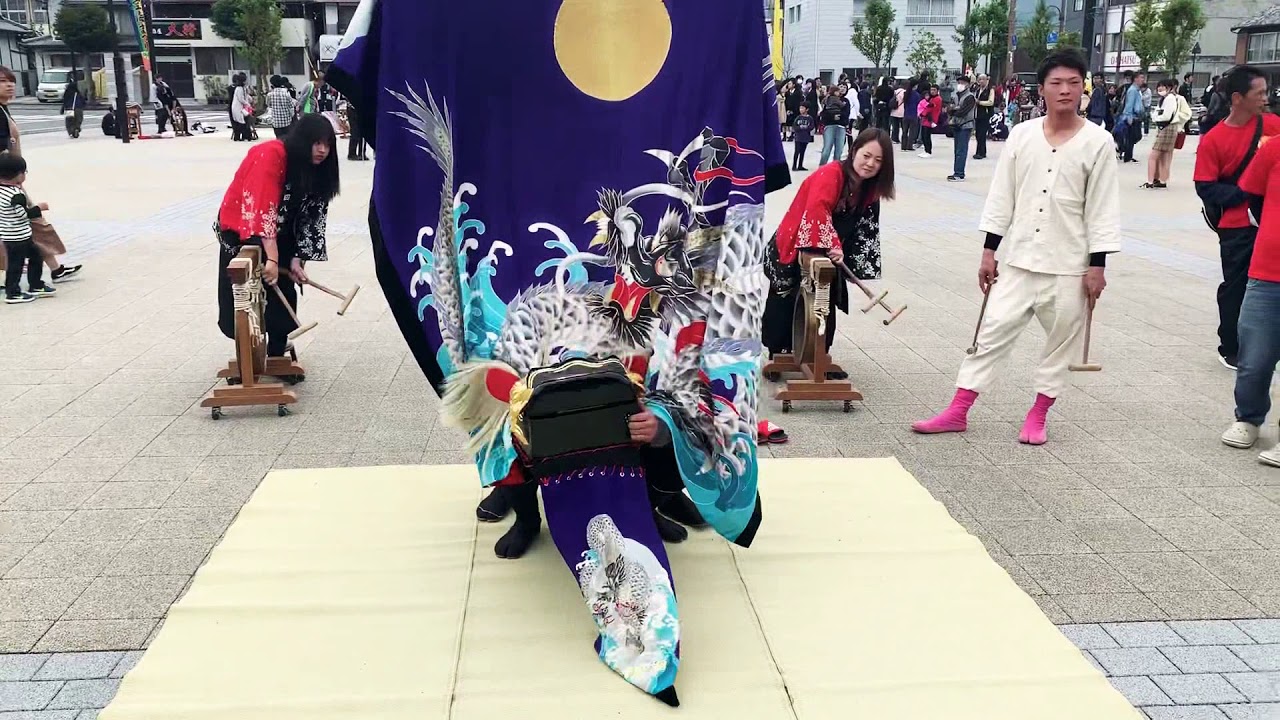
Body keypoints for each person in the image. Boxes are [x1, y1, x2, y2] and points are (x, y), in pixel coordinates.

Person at [327, 2, 784, 703]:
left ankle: (657, 488)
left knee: (657, 371)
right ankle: (522, 504)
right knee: (512, 390)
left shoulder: (649, 261)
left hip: (622, 332)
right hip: (537, 315)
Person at [911, 50, 1120, 445]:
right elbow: (1001, 196)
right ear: (1041, 89)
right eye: (1056, 83)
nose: (1065, 90)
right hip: (1020, 258)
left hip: (1069, 264)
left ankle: (1038, 414)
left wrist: (1098, 265)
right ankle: (958, 410)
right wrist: (989, 251)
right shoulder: (1022, 135)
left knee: (1061, 342)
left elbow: (1102, 207)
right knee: (991, 331)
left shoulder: (1099, 142)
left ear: (1084, 89)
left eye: (1073, 83)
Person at [764, 128, 896, 365]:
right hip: (797, 239)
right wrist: (832, 244)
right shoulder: (831, 173)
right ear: (854, 151)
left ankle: (818, 353)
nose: (870, 164)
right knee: (786, 295)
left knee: (826, 295)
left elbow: (865, 229)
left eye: (878, 160)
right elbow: (817, 210)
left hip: (829, 249)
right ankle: (778, 350)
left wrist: (852, 263)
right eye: (866, 156)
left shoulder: (870, 189)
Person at [216, 114, 340, 361]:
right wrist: (271, 259)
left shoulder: (317, 168)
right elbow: (261, 207)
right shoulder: (271, 153)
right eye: (316, 143)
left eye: (327, 144)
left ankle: (276, 351)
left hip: (281, 233)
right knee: (244, 293)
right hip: (244, 230)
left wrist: (297, 258)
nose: (322, 150)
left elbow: (312, 217)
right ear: (302, 140)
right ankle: (247, 356)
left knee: (282, 289)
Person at [1193, 65, 1280, 371]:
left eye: (1266, 92)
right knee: (1237, 286)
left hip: (1271, 223)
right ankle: (1231, 345)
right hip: (1237, 226)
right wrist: (1245, 193)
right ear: (1237, 98)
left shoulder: (1273, 126)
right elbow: (1205, 186)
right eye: (1259, 93)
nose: (1265, 98)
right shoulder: (1214, 139)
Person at [1221, 121, 1280, 466]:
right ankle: (1248, 417)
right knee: (1254, 359)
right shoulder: (1274, 148)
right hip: (1267, 271)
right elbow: (1253, 198)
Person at [0, 154, 53, 304]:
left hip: (10, 235)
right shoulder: (16, 194)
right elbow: (24, 215)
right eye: (24, 172)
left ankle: (35, 285)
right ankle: (13, 293)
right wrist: (39, 208)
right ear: (18, 175)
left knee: (36, 256)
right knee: (16, 265)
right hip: (18, 237)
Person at [1143, 78, 1192, 189]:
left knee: (1159, 155)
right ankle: (1161, 179)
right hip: (1165, 127)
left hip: (1168, 127)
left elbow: (1181, 114)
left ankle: (1154, 180)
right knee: (1164, 156)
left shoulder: (1175, 99)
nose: (1160, 89)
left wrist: (1176, 121)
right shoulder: (1165, 99)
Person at [948, 75, 977, 182]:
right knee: (957, 150)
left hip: (965, 125)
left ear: (968, 85)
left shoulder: (970, 97)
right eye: (959, 82)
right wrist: (954, 109)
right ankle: (956, 171)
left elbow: (963, 112)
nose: (960, 85)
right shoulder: (956, 96)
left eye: (963, 83)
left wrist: (954, 110)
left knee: (961, 150)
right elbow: (949, 109)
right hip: (956, 125)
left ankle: (959, 174)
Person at [819, 85, 851, 164]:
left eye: (844, 87)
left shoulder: (845, 101)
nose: (842, 89)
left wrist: (840, 117)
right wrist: (833, 116)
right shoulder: (828, 99)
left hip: (841, 127)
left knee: (839, 151)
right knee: (827, 149)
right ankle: (822, 167)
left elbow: (846, 114)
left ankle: (835, 167)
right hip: (829, 126)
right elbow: (824, 114)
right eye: (841, 87)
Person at [1118, 71, 1145, 163]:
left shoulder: (1137, 90)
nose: (1143, 80)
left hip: (1136, 116)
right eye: (1141, 77)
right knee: (1132, 137)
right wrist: (1129, 116)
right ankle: (1126, 155)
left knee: (1133, 137)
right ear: (1135, 79)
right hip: (1132, 117)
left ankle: (1128, 155)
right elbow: (1129, 104)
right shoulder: (1133, 90)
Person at [974, 74, 995, 159]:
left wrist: (980, 102)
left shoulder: (990, 90)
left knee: (982, 134)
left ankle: (981, 153)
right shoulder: (978, 90)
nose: (981, 81)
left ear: (987, 80)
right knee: (978, 134)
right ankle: (979, 151)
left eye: (983, 79)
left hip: (985, 114)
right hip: (978, 114)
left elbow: (991, 102)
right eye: (980, 79)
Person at [918, 84, 942, 158]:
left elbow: (930, 108)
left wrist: (923, 113)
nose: (932, 91)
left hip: (930, 119)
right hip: (926, 119)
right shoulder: (931, 98)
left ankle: (928, 151)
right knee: (924, 135)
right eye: (931, 90)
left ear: (937, 91)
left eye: (934, 90)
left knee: (927, 136)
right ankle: (926, 150)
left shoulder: (937, 99)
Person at [229, 73, 252, 141]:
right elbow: (241, 99)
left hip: (240, 107)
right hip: (237, 107)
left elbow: (246, 96)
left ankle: (242, 136)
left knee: (241, 121)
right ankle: (243, 136)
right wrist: (248, 104)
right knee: (241, 122)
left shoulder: (242, 88)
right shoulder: (239, 89)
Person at [792, 102, 815, 170]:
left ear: (807, 109)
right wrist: (800, 128)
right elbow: (794, 126)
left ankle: (800, 165)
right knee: (797, 152)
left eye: (802, 108)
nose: (801, 110)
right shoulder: (798, 117)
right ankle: (794, 166)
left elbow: (812, 126)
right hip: (798, 137)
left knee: (802, 152)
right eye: (800, 108)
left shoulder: (810, 118)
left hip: (805, 138)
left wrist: (806, 128)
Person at [901, 80, 921, 152]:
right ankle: (909, 146)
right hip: (914, 114)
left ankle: (903, 146)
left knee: (904, 131)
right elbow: (918, 104)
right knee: (912, 131)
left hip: (906, 114)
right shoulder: (917, 95)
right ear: (915, 86)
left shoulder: (906, 93)